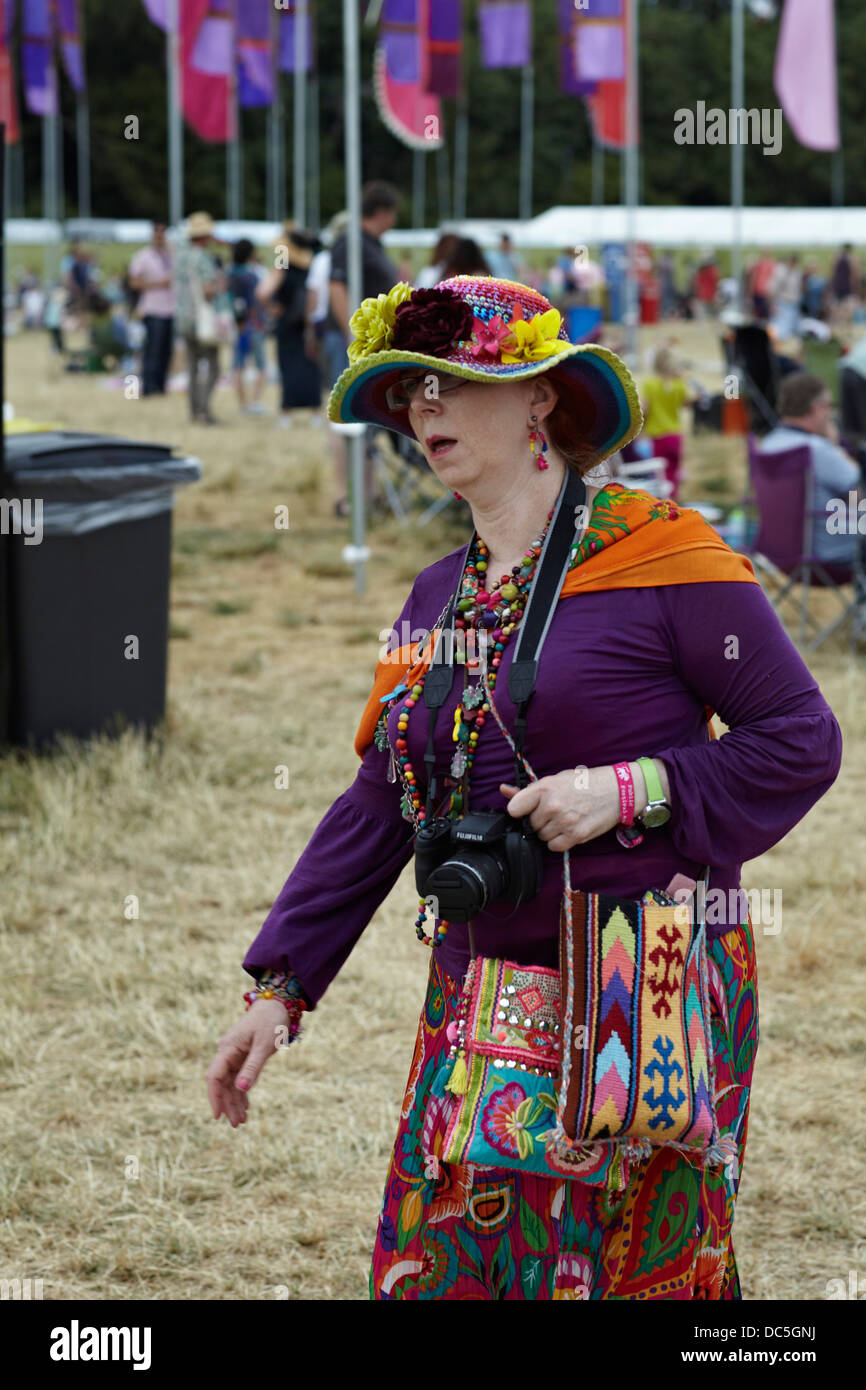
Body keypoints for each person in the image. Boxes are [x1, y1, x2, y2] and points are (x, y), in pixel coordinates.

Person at [207, 274, 843, 1301]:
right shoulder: (433, 592)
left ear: (540, 398)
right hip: (478, 991)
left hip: (645, 997)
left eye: (451, 386)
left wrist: (632, 788)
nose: (424, 412)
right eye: (410, 392)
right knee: (446, 1267)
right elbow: (380, 800)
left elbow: (800, 739)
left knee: (631, 1276)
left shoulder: (665, 555)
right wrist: (280, 986)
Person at [327, 181, 402, 517]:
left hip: (368, 345)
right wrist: (352, 336)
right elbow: (336, 287)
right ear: (383, 212)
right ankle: (345, 497)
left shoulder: (370, 244)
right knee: (347, 422)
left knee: (367, 421)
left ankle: (367, 496)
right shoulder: (349, 242)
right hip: (353, 344)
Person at [759, 371, 863, 566]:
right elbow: (860, 498)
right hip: (831, 551)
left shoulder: (768, 445)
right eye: (828, 407)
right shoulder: (818, 450)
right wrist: (835, 447)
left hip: (778, 552)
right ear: (817, 408)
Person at [255, 225, 322, 428]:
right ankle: (315, 413)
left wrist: (270, 306)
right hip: (308, 321)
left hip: (287, 322)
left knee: (288, 366)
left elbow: (263, 292)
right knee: (311, 366)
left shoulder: (282, 257)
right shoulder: (314, 259)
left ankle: (286, 412)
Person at [174, 211, 225, 425]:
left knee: (193, 367)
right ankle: (204, 411)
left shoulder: (180, 256)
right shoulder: (203, 258)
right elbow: (208, 290)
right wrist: (221, 284)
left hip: (183, 318)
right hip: (202, 320)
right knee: (213, 367)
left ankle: (194, 411)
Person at [640, 344, 696, 499]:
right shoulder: (679, 385)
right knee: (673, 475)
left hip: (658, 437)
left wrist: (640, 430)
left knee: (661, 477)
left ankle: (664, 509)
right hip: (675, 436)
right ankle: (674, 506)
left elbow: (644, 410)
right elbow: (687, 402)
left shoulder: (650, 384)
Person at [128, 221, 176, 396]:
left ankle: (161, 386)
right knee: (152, 351)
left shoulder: (172, 255)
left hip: (171, 309)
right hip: (152, 309)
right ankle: (148, 387)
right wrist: (159, 283)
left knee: (166, 351)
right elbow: (134, 283)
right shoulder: (142, 256)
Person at [227, 238, 269, 415]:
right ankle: (255, 401)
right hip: (253, 324)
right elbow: (255, 302)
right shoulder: (251, 276)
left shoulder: (229, 274)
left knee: (238, 365)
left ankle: (242, 404)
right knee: (261, 365)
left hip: (236, 324)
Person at [771, 254, 802, 343]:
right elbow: (774, 289)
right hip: (783, 303)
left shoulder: (797, 272)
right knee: (782, 329)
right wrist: (773, 303)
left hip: (794, 304)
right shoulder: (781, 272)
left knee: (794, 330)